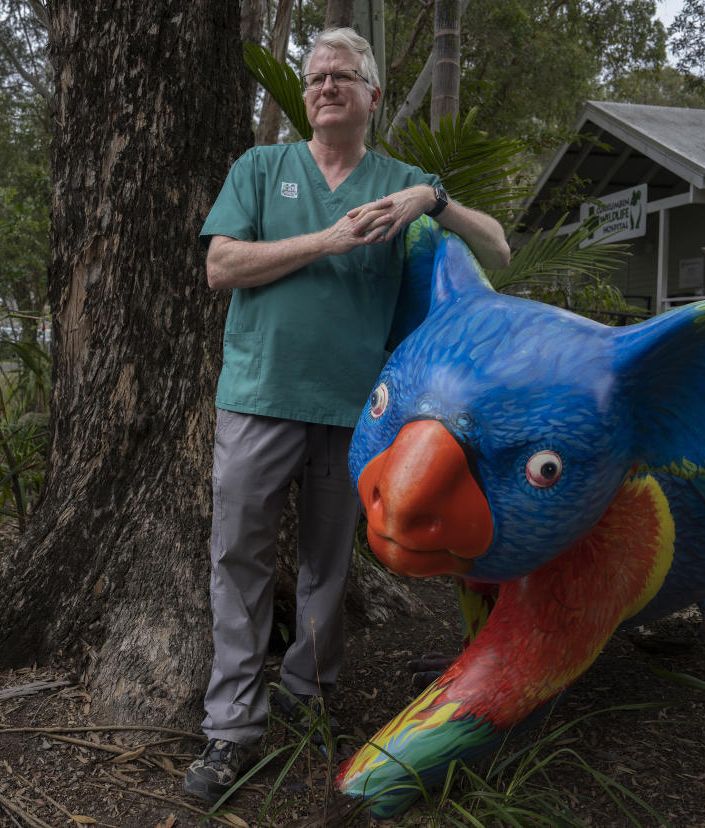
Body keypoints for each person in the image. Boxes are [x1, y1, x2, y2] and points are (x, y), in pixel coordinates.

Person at [183, 27, 511, 803]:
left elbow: (497, 247)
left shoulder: (400, 180)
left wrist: (434, 197)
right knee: (238, 554)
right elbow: (219, 266)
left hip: (356, 411)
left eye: (342, 75)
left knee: (330, 560)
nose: (325, 85)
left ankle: (309, 693)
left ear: (372, 94)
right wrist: (326, 240)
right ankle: (231, 727)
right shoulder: (262, 169)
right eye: (314, 76)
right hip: (258, 397)